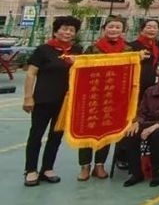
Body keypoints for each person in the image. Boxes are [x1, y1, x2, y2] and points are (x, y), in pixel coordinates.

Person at [23, 16, 82, 186]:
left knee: (56, 136)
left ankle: (47, 168)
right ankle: (31, 170)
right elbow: (30, 74)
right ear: (56, 31)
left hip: (65, 102)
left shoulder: (77, 50)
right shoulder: (44, 50)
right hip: (43, 99)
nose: (67, 32)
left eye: (71, 30)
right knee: (36, 134)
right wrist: (28, 97)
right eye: (64, 29)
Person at [78, 15, 131, 181]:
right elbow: (82, 71)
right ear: (104, 29)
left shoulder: (128, 50)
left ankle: (100, 165)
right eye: (111, 27)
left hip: (114, 96)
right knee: (88, 130)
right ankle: (85, 166)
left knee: (107, 130)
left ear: (123, 31)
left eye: (118, 27)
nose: (114, 30)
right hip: (94, 94)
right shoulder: (93, 49)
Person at [129, 17, 159, 95]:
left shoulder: (157, 47)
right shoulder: (132, 46)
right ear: (141, 30)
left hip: (150, 83)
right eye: (149, 27)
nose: (152, 30)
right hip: (135, 83)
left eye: (155, 27)